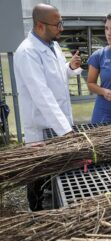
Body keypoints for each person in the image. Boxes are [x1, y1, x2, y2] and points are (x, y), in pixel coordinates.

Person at [13, 3, 82, 211]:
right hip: (41, 126)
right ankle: (36, 211)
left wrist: (69, 68)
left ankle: (53, 205)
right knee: (37, 171)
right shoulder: (27, 52)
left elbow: (56, 75)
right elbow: (41, 94)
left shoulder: (52, 44)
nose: (61, 27)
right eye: (57, 24)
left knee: (54, 167)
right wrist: (66, 131)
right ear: (41, 25)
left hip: (56, 122)